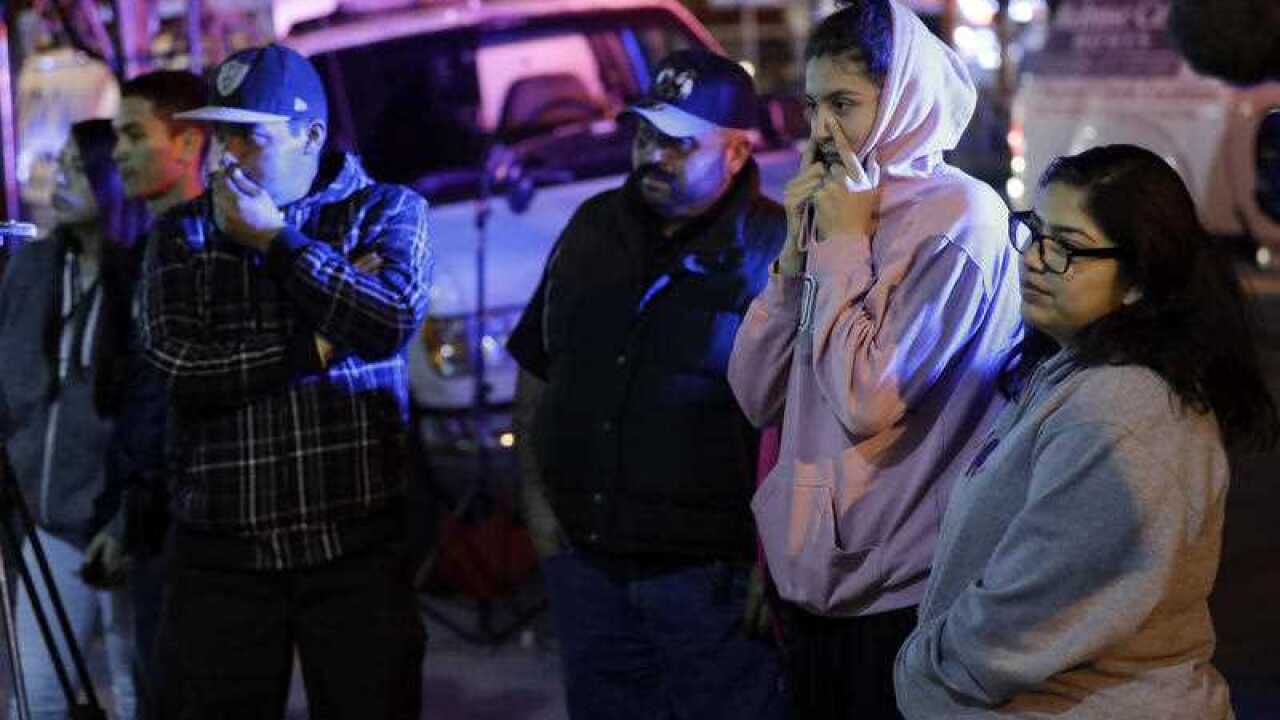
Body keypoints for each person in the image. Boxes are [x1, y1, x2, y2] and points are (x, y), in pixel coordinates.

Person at [894, 144, 1280, 719]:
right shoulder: (1080, 372)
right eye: (1035, 231)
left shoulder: (1121, 411)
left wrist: (929, 666)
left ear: (1139, 279)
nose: (1034, 259)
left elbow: (1030, 611)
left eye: (1068, 247)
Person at [726, 1, 1024, 717]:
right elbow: (754, 393)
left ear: (903, 102)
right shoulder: (833, 212)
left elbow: (869, 399)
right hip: (811, 581)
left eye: (844, 105)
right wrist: (796, 261)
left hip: (903, 590)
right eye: (811, 107)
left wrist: (840, 245)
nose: (823, 130)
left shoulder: (960, 222)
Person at [139, 44, 432, 718]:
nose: (225, 156)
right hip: (223, 556)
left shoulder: (386, 210)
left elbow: (386, 319)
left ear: (310, 135)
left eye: (249, 134)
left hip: (354, 548)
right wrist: (316, 344)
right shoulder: (182, 234)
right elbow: (180, 368)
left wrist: (280, 243)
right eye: (222, 133)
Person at [507, 49, 788, 719]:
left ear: (735, 153)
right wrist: (542, 515)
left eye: (676, 142)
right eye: (643, 135)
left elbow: (800, 418)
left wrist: (775, 561)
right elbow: (538, 365)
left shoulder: (776, 251)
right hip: (589, 566)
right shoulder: (592, 228)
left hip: (709, 580)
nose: (652, 156)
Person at [0, 118, 147, 720]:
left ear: (114, 180)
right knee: (36, 698)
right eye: (58, 162)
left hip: (130, 523)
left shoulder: (144, 271)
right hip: (49, 519)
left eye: (78, 166)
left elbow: (153, 412)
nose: (58, 175)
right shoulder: (33, 268)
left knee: (140, 693)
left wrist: (127, 516)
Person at [109, 68, 210, 717]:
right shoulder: (147, 249)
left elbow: (170, 395)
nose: (118, 151)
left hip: (192, 521)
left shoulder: (207, 246)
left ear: (189, 141)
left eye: (133, 135)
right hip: (152, 517)